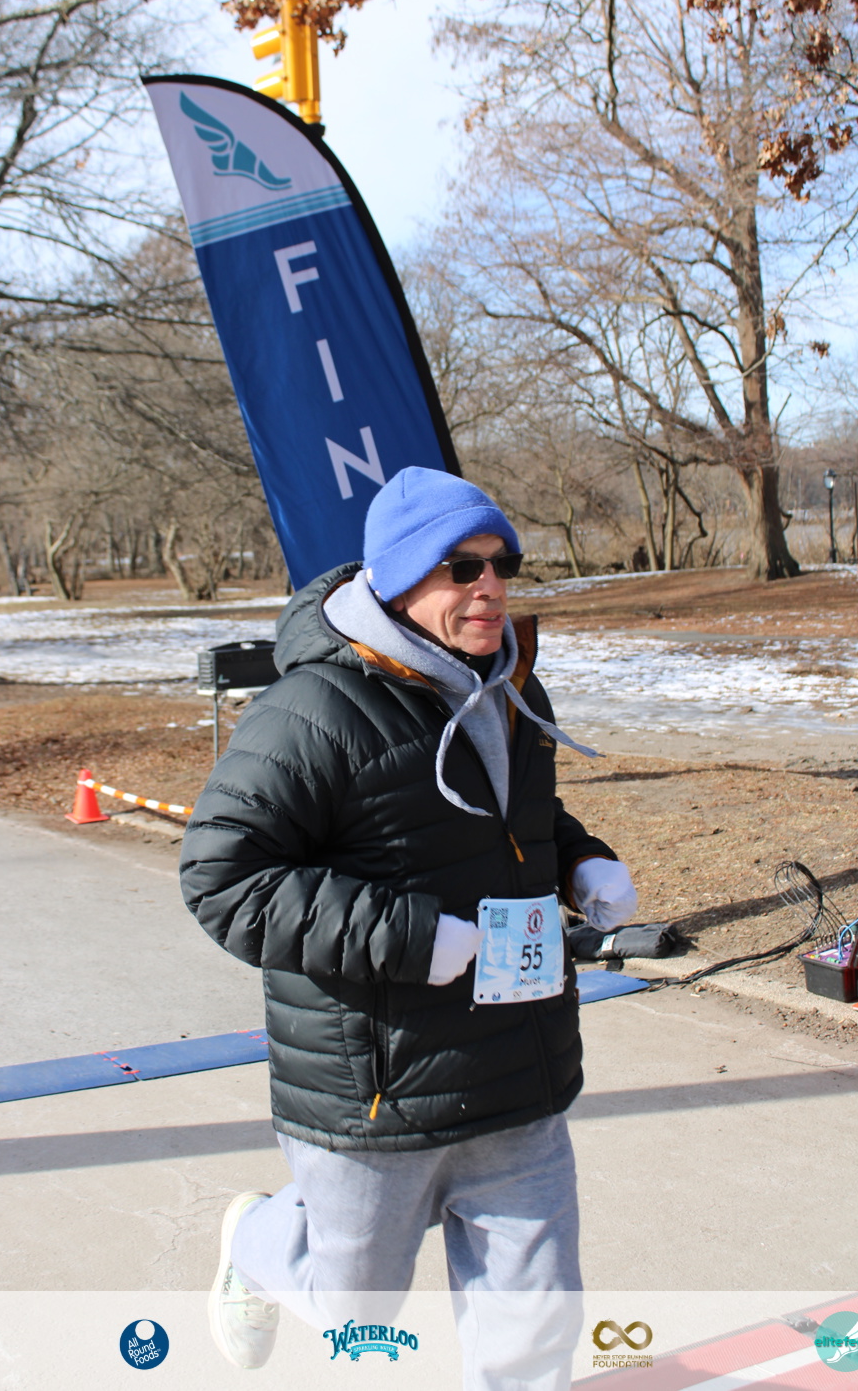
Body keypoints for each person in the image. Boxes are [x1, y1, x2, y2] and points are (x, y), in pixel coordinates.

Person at [179, 467, 638, 1388]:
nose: (491, 586)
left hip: (519, 1067)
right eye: (462, 568)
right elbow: (225, 879)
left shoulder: (515, 688)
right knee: (354, 1309)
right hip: (376, 1091)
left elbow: (512, 826)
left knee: (538, 1323)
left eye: (502, 564)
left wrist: (579, 861)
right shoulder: (311, 712)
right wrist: (414, 937)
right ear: (396, 580)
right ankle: (263, 1241)